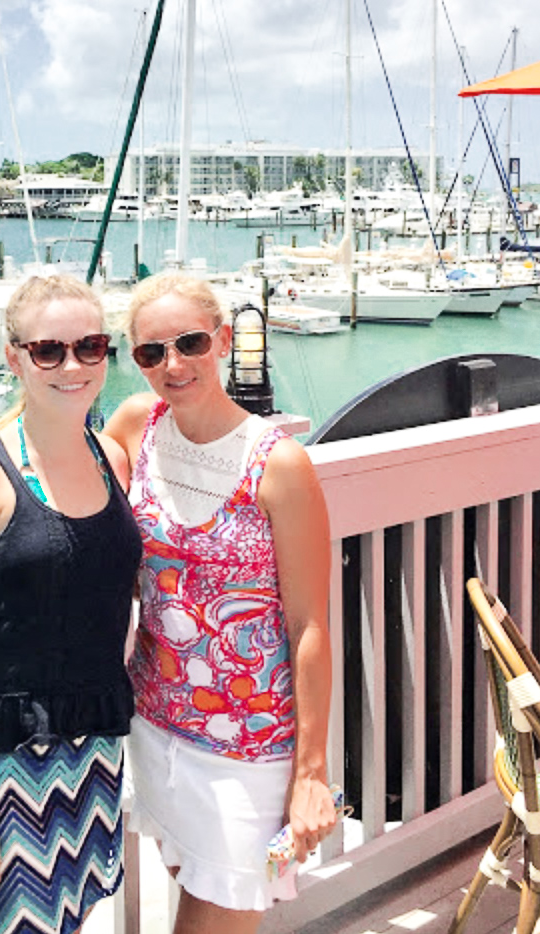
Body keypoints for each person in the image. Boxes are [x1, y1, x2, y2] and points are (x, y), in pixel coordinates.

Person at [104, 273, 336, 934]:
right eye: (152, 353)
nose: (173, 364)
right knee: (190, 897)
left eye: (190, 343)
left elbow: (309, 624)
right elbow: (63, 476)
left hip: (250, 750)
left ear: (223, 342)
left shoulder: (278, 464)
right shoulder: (135, 426)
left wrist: (312, 774)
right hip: (156, 723)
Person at [0, 276, 142, 934]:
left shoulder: (110, 458)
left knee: (76, 916)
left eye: (91, 347)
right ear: (15, 357)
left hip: (94, 745)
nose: (72, 366)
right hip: (9, 766)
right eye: (49, 351)